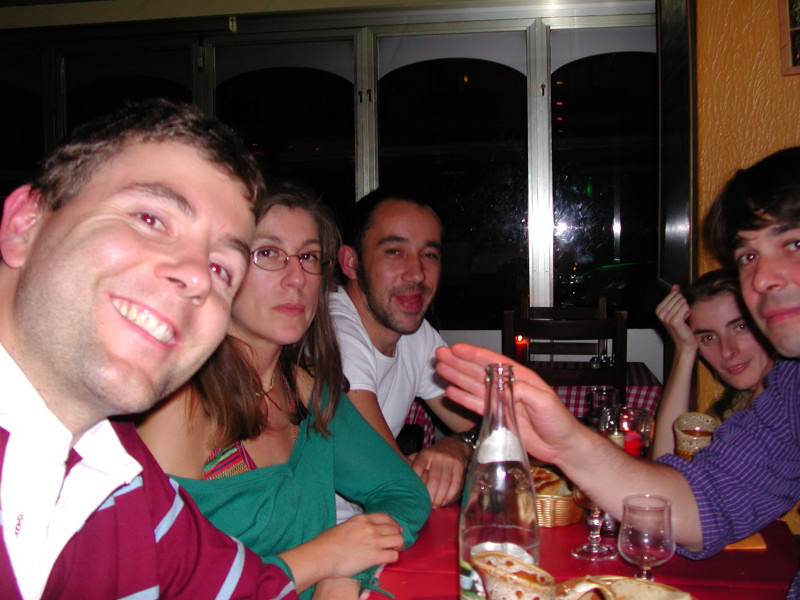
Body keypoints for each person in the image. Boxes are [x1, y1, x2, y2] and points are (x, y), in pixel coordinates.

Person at [435, 147, 800, 599]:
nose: (762, 279)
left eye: (793, 244)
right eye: (748, 257)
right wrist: (566, 441)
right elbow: (703, 504)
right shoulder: (792, 388)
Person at [0, 99, 298, 599]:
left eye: (221, 269)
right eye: (151, 220)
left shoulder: (120, 471)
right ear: (24, 225)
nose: (198, 278)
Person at [136, 180, 430, 600]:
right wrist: (322, 560)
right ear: (219, 268)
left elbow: (403, 491)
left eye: (308, 257)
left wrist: (350, 571)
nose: (297, 279)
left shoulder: (306, 389)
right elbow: (159, 585)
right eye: (268, 253)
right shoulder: (177, 405)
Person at [330, 188, 479, 510]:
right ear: (351, 263)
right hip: (308, 534)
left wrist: (459, 446)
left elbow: (495, 431)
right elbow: (392, 481)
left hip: (370, 524)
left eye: (429, 254)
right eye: (395, 251)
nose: (417, 274)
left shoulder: (415, 335)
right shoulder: (334, 331)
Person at [652, 268, 774, 458]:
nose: (727, 351)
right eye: (708, 338)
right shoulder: (733, 409)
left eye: (741, 327)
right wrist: (685, 351)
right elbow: (666, 464)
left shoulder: (787, 406)